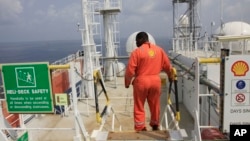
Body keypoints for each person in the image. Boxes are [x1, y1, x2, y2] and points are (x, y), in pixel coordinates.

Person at [124, 31, 173, 131]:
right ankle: (155, 124)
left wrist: (127, 83)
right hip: (155, 81)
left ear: (142, 39)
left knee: (139, 105)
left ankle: (140, 127)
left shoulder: (136, 52)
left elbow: (130, 71)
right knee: (155, 104)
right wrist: (170, 76)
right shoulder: (159, 50)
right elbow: (167, 66)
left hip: (141, 82)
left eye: (137, 40)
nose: (136, 43)